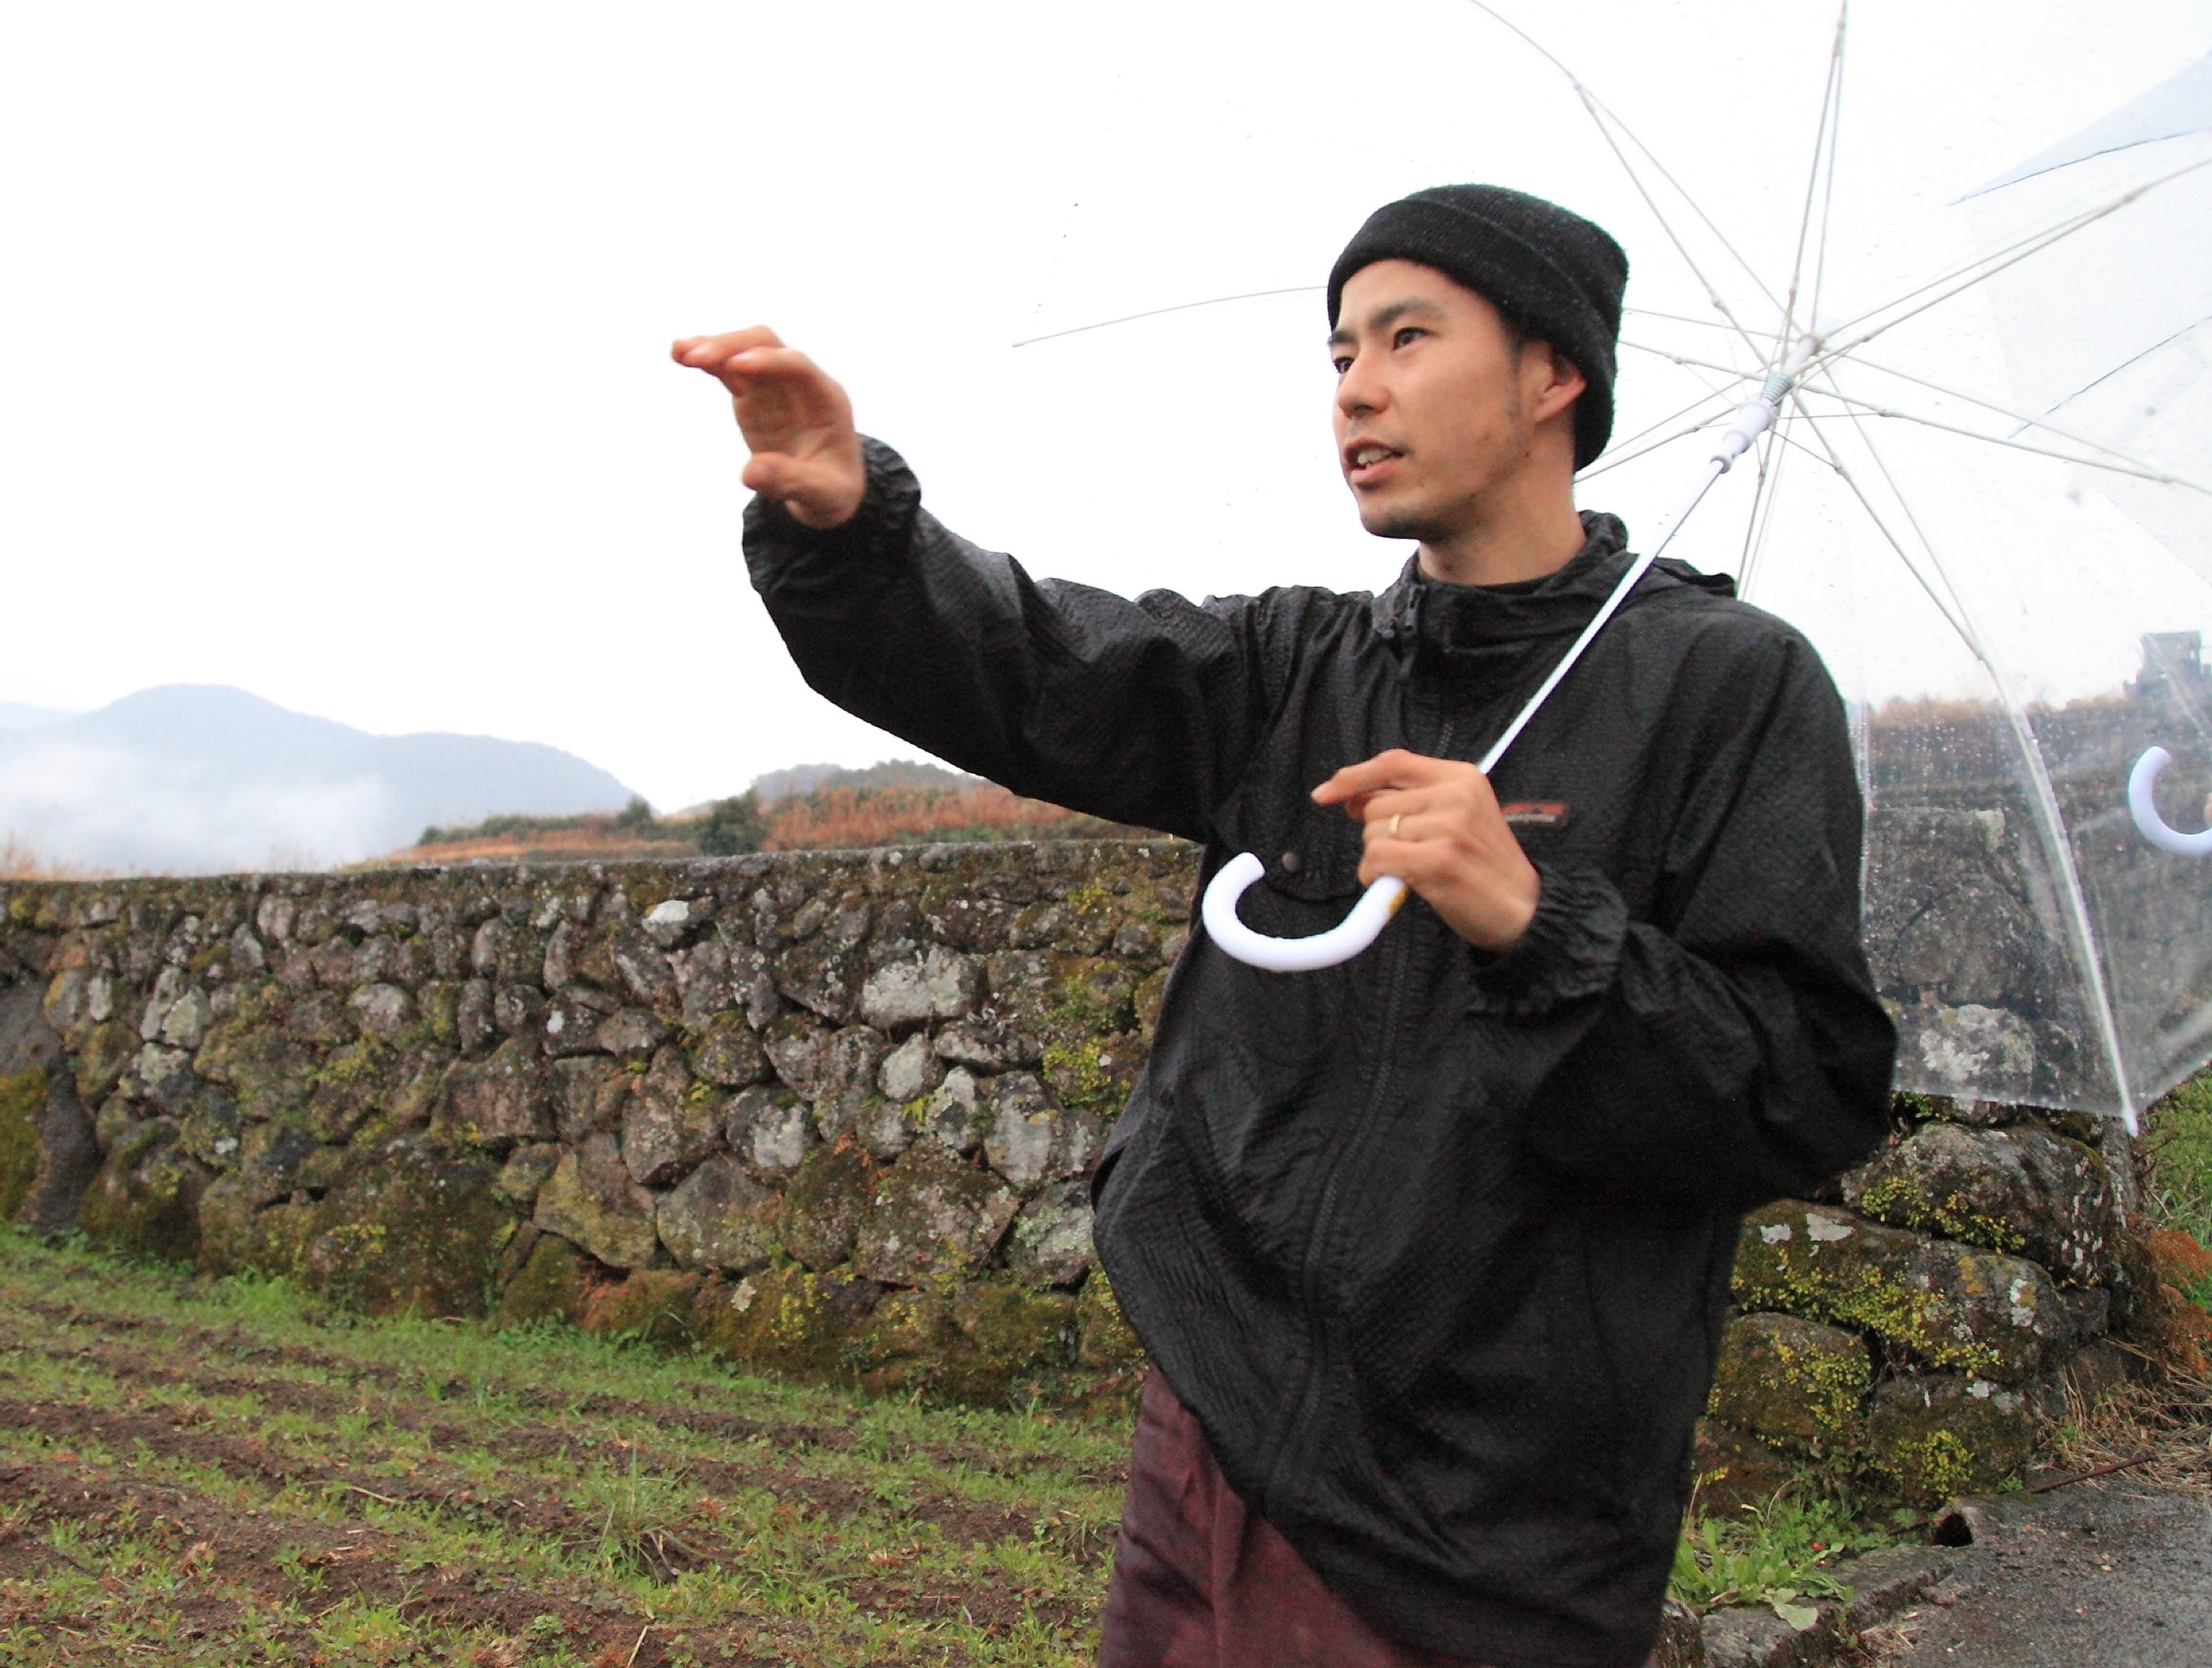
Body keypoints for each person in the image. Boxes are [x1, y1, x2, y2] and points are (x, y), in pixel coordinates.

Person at [674, 184, 1897, 1668]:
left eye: (1407, 337)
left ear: (1552, 377)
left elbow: (1800, 1086)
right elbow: (1039, 666)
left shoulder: (1733, 691)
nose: (1357, 389)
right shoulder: (1299, 665)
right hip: (1215, 1431)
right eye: (1338, 354)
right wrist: (861, 525)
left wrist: (1535, 918)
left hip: (1482, 1528)